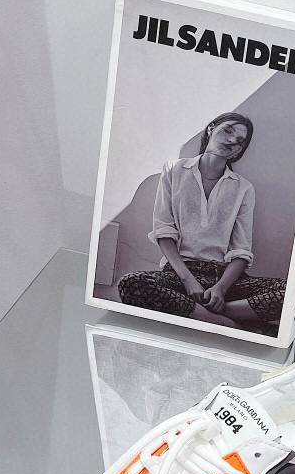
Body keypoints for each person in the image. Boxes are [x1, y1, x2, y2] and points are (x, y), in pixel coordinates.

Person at [117, 112, 286, 331]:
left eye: (239, 141)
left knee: (290, 293)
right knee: (131, 284)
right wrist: (189, 281)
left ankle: (210, 314)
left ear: (239, 151)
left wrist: (220, 289)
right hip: (179, 275)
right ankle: (232, 326)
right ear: (211, 129)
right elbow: (164, 231)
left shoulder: (243, 188)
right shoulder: (173, 170)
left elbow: (241, 251)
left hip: (227, 281)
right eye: (227, 131)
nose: (232, 140)